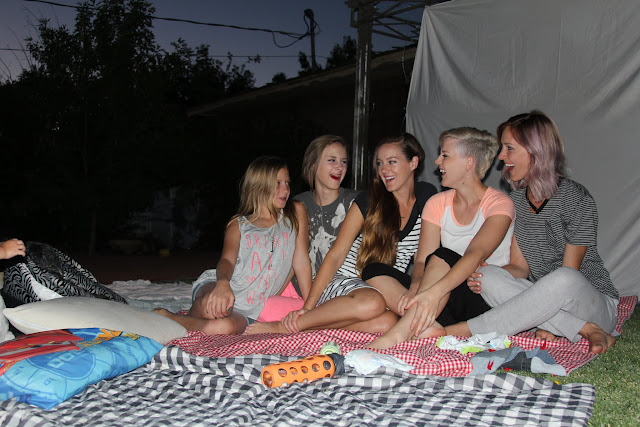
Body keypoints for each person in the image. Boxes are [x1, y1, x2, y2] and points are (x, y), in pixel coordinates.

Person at [445, 110, 619, 354]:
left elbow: (570, 274)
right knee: (488, 276)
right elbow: (520, 268)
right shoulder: (516, 202)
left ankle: (464, 329)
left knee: (564, 277)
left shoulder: (576, 198)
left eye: (509, 148)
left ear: (536, 151)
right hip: (545, 305)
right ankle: (583, 329)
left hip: (591, 303)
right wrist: (483, 275)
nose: (501, 157)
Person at [246, 133, 437, 334]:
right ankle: (288, 326)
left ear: (413, 163)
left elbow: (422, 259)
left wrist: (416, 285)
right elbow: (334, 255)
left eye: (391, 162)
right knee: (373, 302)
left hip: (383, 287)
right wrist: (308, 306)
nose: (384, 170)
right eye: (380, 163)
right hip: (344, 281)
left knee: (387, 322)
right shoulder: (368, 200)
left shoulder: (426, 198)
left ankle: (310, 329)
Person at [368, 127, 514, 349]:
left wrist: (431, 294)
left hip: (480, 299)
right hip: (442, 302)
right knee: (374, 269)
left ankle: (398, 334)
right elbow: (421, 261)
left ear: (469, 162)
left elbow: (475, 254)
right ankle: (427, 324)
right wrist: (416, 287)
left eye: (445, 155)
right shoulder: (437, 203)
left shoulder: (499, 204)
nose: (437, 161)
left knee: (443, 255)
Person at [154, 156, 312, 335]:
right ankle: (173, 324)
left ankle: (170, 318)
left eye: (287, 183)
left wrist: (310, 305)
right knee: (208, 304)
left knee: (225, 328)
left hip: (250, 306)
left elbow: (301, 259)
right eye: (277, 183)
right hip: (223, 283)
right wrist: (222, 284)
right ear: (258, 186)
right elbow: (227, 261)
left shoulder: (295, 212)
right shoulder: (239, 225)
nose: (285, 189)